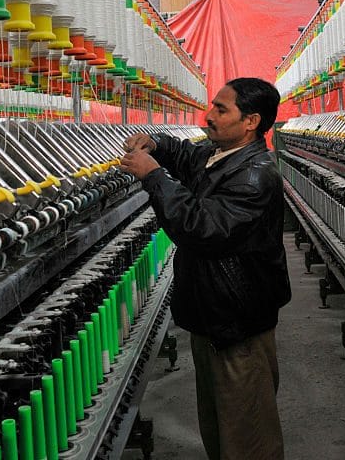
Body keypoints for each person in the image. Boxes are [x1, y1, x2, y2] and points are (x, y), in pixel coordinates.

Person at [119, 77, 291, 460]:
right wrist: (157, 144)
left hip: (236, 324)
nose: (208, 116)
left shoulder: (254, 175)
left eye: (221, 109)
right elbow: (186, 156)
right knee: (220, 427)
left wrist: (153, 176)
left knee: (248, 436)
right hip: (212, 318)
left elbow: (204, 229)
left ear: (251, 122)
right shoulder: (222, 157)